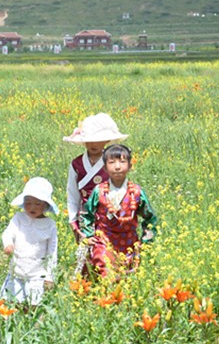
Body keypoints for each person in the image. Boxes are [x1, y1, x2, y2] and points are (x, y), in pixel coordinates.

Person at [79, 144, 158, 278]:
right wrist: (88, 234)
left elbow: (150, 217)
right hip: (104, 240)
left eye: (122, 162)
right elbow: (86, 214)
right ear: (104, 167)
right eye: (112, 162)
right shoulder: (99, 191)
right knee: (106, 272)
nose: (117, 167)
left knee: (128, 278)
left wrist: (146, 240)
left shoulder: (136, 192)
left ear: (130, 166)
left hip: (129, 242)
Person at [64, 113, 128, 241]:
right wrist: (73, 222)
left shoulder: (113, 163)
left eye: (98, 140)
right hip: (85, 218)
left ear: (107, 141)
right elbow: (72, 194)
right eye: (89, 140)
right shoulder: (77, 164)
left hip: (110, 217)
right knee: (87, 249)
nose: (93, 144)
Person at [0, 177, 58, 308]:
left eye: (38, 204)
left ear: (46, 205)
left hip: (37, 275)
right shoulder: (18, 218)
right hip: (16, 271)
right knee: (11, 303)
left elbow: (52, 252)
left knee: (34, 306)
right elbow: (8, 233)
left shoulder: (50, 225)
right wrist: (8, 243)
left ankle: (33, 319)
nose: (32, 207)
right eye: (28, 202)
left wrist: (50, 276)